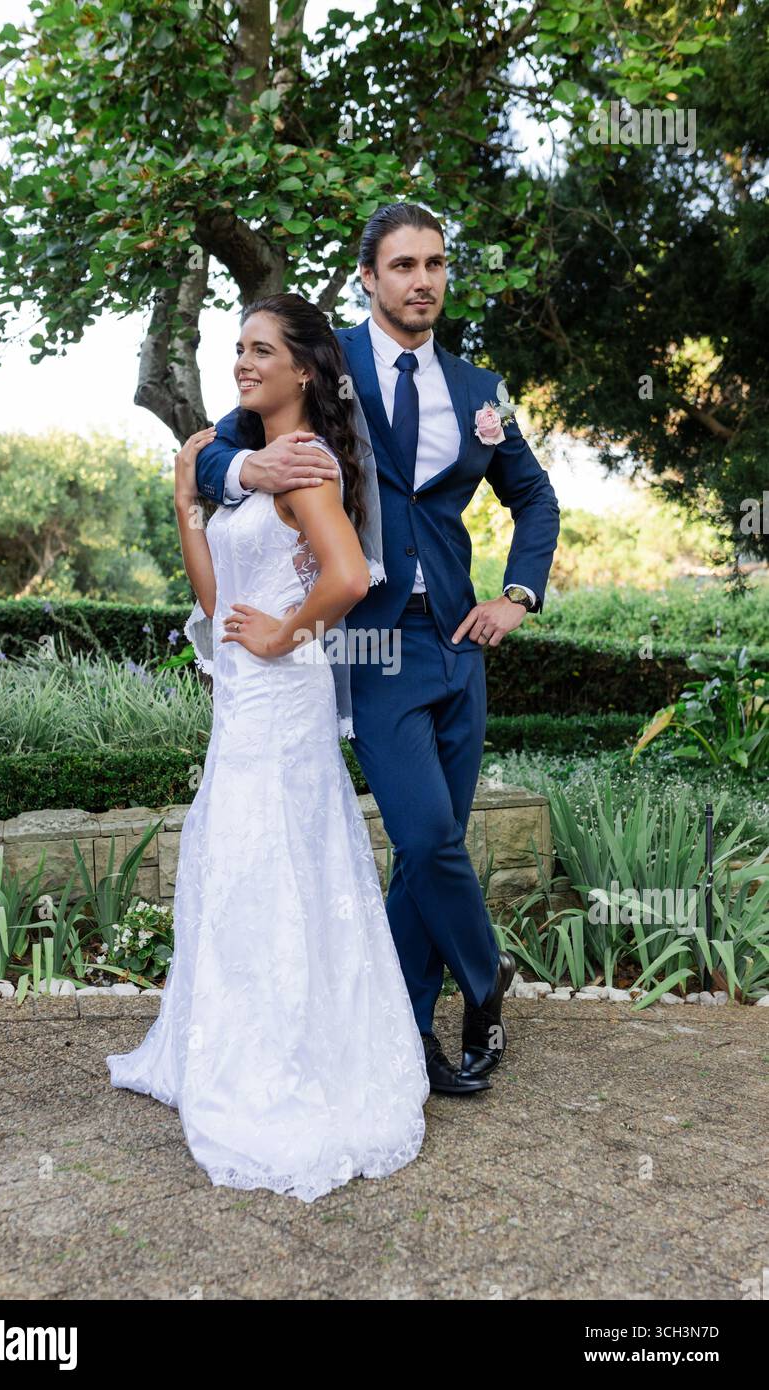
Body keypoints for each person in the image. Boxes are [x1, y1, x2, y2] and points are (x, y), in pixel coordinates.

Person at [196, 203, 561, 1094]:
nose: (422, 281)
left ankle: (409, 1035)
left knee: (426, 856)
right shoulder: (331, 365)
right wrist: (245, 472)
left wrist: (516, 596)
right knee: (429, 836)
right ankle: (486, 982)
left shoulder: (481, 391)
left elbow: (535, 500)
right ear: (368, 277)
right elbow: (215, 448)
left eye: (434, 264)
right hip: (375, 640)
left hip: (459, 642)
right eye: (402, 265)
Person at [106, 292, 431, 1204]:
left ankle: (287, 1063)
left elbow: (348, 574)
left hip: (280, 697)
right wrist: (185, 502)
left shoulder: (304, 465)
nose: (242, 361)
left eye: (259, 349)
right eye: (236, 347)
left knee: (277, 865)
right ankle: (228, 1042)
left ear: (302, 370)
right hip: (241, 702)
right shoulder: (244, 460)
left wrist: (286, 632)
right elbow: (214, 605)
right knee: (237, 861)